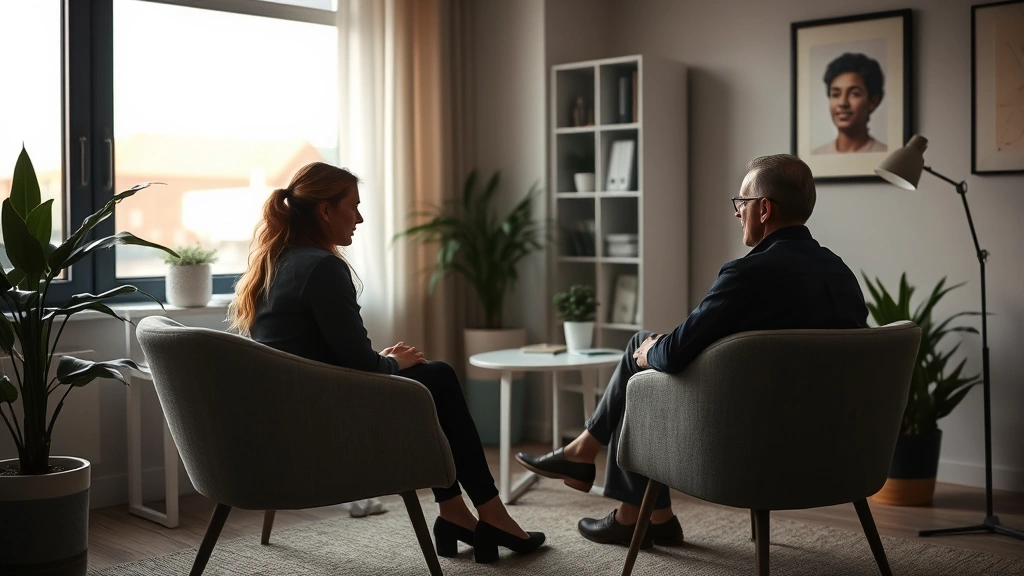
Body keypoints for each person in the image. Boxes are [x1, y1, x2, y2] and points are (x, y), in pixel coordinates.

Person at [517, 154, 868, 549]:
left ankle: (609, 485)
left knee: (642, 351)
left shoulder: (747, 275)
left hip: (743, 447)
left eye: (742, 203)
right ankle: (653, 514)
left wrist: (647, 351)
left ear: (764, 209)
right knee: (650, 358)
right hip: (836, 449)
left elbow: (676, 353)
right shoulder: (841, 273)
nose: (738, 214)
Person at [227, 162, 544, 564]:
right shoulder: (322, 268)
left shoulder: (276, 263)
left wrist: (387, 362)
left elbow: (327, 359)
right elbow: (360, 365)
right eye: (353, 207)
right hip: (324, 426)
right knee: (438, 377)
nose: (359, 218)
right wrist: (392, 364)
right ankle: (487, 514)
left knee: (425, 384)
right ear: (325, 211)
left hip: (291, 421)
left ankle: (455, 514)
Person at [812, 52, 888, 154]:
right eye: (835, 94)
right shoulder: (816, 155)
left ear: (873, 101)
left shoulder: (884, 154)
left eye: (854, 94)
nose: (843, 103)